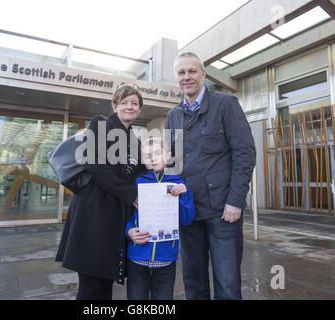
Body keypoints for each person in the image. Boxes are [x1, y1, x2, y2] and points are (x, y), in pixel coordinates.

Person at [165, 52, 256, 300]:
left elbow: (245, 153)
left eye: (192, 71)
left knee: (227, 284)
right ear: (176, 78)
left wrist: (236, 200)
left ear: (203, 74)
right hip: (188, 212)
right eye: (181, 73)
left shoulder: (225, 105)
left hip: (223, 212)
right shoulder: (173, 116)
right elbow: (171, 165)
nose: (187, 77)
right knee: (193, 283)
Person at [55, 84, 144, 300]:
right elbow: (96, 166)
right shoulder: (100, 125)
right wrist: (132, 196)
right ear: (115, 106)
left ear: (140, 109)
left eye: (134, 104)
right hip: (92, 216)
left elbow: (140, 175)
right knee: (91, 286)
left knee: (105, 284)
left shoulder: (137, 141)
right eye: (124, 103)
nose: (129, 107)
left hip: (115, 219)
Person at [125, 137, 195, 300]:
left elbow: (187, 219)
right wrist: (128, 231)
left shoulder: (177, 183)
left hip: (166, 259)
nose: (153, 158)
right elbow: (125, 214)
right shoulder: (136, 183)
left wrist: (185, 195)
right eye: (148, 155)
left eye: (157, 153)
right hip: (137, 257)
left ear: (168, 155)